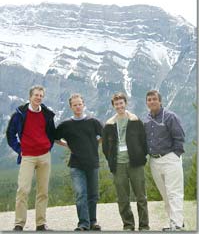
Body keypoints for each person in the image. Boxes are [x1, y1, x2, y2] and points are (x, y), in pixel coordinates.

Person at [6, 85, 56, 231]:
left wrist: (47, 147)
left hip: (44, 156)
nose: (39, 97)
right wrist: (19, 149)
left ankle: (41, 223)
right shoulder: (20, 113)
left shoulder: (47, 114)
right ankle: (19, 223)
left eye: (41, 95)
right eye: (36, 95)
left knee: (43, 191)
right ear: (30, 96)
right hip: (27, 156)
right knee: (23, 189)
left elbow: (51, 134)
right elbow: (10, 134)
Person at [102, 92, 149, 231]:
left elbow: (143, 141)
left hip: (135, 163)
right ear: (113, 106)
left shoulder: (135, 121)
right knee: (122, 198)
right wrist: (112, 159)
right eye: (116, 104)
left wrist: (140, 156)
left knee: (141, 196)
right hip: (118, 165)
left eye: (121, 103)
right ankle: (128, 225)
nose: (119, 106)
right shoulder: (109, 124)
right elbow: (105, 147)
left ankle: (144, 225)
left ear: (125, 103)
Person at [55, 93, 103, 231]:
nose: (77, 107)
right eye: (74, 105)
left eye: (79, 104)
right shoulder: (66, 125)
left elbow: (104, 134)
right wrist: (66, 145)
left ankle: (93, 222)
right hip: (76, 165)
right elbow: (55, 137)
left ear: (84, 105)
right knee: (81, 194)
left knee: (93, 195)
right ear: (71, 107)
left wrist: (96, 144)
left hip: (93, 163)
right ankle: (83, 224)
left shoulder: (93, 122)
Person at [143, 90, 185, 231]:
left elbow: (180, 137)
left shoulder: (170, 117)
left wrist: (175, 155)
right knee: (165, 194)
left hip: (170, 159)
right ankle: (173, 221)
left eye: (154, 99)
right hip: (154, 161)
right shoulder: (146, 120)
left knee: (174, 192)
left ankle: (177, 224)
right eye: (149, 99)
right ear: (146, 102)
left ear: (160, 101)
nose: (152, 101)